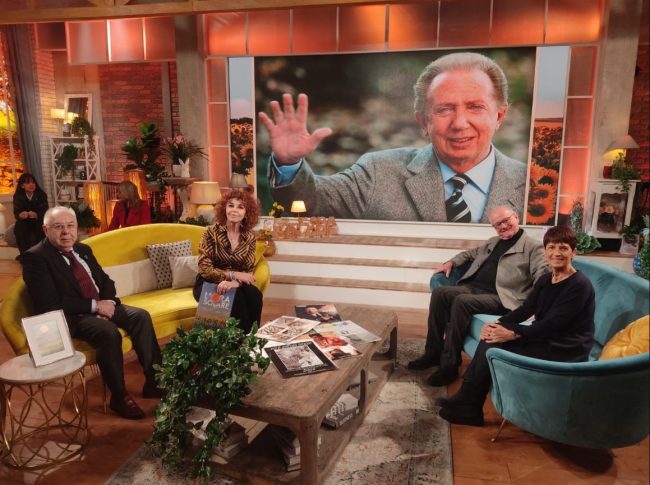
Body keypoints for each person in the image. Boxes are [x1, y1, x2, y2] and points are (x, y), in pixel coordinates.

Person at [259, 51, 527, 222]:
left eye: (475, 107)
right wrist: (288, 163)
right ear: (423, 121)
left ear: (499, 116)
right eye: (444, 109)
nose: (459, 123)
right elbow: (311, 202)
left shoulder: (531, 186)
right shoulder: (379, 172)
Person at [438, 226, 595, 426]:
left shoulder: (579, 285)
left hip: (565, 347)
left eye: (563, 248)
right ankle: (470, 403)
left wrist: (513, 333)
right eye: (552, 247)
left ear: (574, 252)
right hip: (546, 337)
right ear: (545, 251)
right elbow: (525, 309)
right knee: (492, 337)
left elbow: (552, 325)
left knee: (495, 345)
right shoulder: (546, 279)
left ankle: (469, 401)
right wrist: (496, 325)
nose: (557, 253)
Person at [22, 206, 162, 420]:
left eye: (70, 226)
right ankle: (119, 397)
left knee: (140, 316)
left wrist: (108, 303)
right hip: (71, 317)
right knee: (108, 332)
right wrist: (95, 307)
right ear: (45, 229)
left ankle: (155, 381)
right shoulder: (35, 258)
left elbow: (105, 281)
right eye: (58, 227)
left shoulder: (83, 249)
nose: (66, 232)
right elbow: (49, 302)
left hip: (100, 305)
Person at [408, 206, 549, 386]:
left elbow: (542, 277)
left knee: (461, 302)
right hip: (474, 288)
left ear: (516, 217)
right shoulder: (493, 242)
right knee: (440, 293)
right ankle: (433, 353)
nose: (503, 226)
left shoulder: (534, 247)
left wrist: (535, 306)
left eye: (506, 220)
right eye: (497, 224)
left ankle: (449, 366)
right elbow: (469, 254)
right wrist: (451, 262)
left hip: (503, 297)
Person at [193, 188, 262, 334]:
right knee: (236, 298)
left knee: (255, 294)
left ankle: (252, 337)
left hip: (235, 282)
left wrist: (235, 282)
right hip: (208, 281)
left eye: (240, 207)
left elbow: (248, 271)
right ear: (224, 208)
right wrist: (233, 275)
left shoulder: (249, 237)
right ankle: (236, 341)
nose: (234, 210)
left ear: (246, 213)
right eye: (231, 205)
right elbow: (205, 269)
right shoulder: (211, 233)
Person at [12, 173, 49, 257]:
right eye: (28, 183)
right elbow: (16, 213)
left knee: (40, 226)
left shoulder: (41, 195)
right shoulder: (18, 196)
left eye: (33, 182)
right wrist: (20, 215)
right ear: (22, 186)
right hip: (25, 221)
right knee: (19, 227)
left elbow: (45, 211)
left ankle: (41, 254)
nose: (31, 185)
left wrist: (37, 214)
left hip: (38, 220)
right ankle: (25, 255)